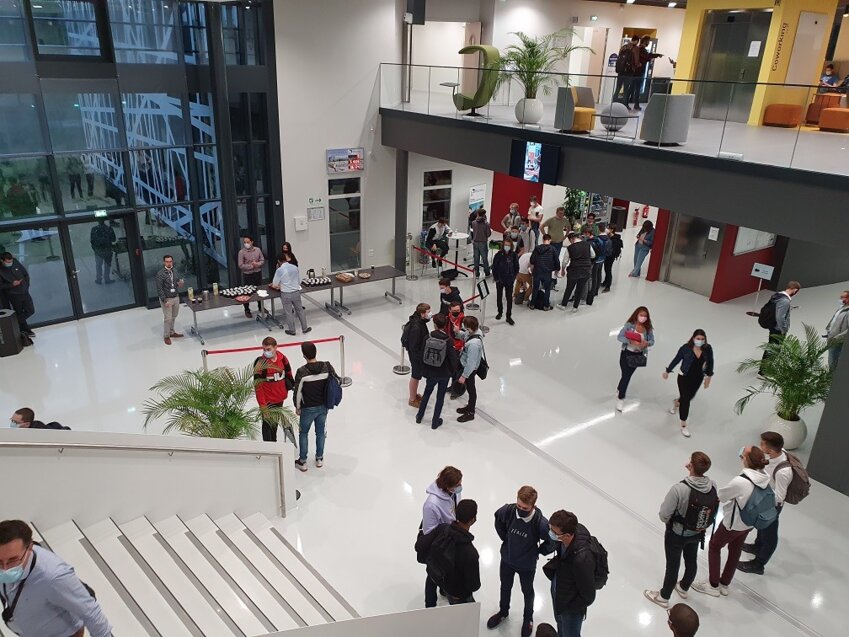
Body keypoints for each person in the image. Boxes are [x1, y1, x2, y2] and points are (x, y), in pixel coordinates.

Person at [0, 520, 113, 637]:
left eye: (13, 560)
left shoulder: (54, 577)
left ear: (29, 548)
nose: (5, 568)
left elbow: (91, 613)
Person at [692, 446, 771, 597]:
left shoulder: (741, 482)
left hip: (732, 524)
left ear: (746, 460)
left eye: (742, 455)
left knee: (714, 546)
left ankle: (713, 585)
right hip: (748, 524)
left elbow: (722, 496)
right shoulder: (764, 478)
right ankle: (725, 583)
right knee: (735, 551)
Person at [644, 452, 718, 608]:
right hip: (698, 532)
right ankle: (684, 587)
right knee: (691, 560)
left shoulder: (679, 489)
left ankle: (664, 597)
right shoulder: (713, 485)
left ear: (690, 465)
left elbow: (664, 515)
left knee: (672, 565)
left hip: (677, 534)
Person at [487, 486, 556, 637]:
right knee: (505, 587)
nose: (520, 509)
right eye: (518, 505)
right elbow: (498, 518)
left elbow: (553, 540)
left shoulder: (541, 523)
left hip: (527, 566)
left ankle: (528, 619)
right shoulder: (509, 511)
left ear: (533, 506)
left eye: (525, 507)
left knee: (527, 592)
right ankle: (503, 612)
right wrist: (505, 538)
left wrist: (541, 551)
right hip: (507, 560)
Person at [737, 431, 795, 575]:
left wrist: (761, 494)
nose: (760, 445)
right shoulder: (776, 454)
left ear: (770, 449)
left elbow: (780, 497)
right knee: (761, 527)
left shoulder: (783, 472)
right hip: (766, 501)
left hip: (772, 506)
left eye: (762, 444)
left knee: (770, 535)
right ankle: (757, 546)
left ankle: (759, 564)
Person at [545, 510, 597, 637]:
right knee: (560, 625)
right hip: (560, 589)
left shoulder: (582, 560)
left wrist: (568, 607)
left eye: (555, 533)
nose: (551, 534)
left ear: (567, 535)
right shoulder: (568, 535)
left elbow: (588, 596)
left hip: (570, 608)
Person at [419, 499, 480, 606]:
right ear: (472, 520)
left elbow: (422, 545)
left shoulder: (442, 529)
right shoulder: (470, 553)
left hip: (439, 579)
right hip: (457, 593)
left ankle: (430, 607)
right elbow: (473, 585)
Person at [420, 466, 462, 607]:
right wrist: (446, 531)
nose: (460, 487)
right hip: (438, 544)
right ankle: (430, 604)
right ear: (447, 486)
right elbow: (429, 532)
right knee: (433, 574)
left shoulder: (453, 493)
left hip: (451, 538)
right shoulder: (431, 505)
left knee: (448, 570)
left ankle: (443, 589)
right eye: (457, 485)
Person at [292, 341, 335, 472]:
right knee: (320, 432)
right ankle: (319, 458)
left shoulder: (302, 372)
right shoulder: (326, 367)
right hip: (323, 407)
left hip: (308, 408)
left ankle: (303, 461)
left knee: (303, 433)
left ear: (304, 355)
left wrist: (298, 406)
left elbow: (297, 392)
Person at [663, 330, 714, 438]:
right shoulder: (685, 348)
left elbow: (711, 362)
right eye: (698, 338)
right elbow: (676, 360)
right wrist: (667, 371)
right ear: (693, 338)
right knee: (686, 400)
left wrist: (708, 377)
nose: (699, 341)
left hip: (698, 378)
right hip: (684, 377)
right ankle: (683, 424)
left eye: (702, 339)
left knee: (689, 397)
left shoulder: (707, 348)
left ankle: (677, 402)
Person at [416, 313, 459, 430]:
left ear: (434, 324)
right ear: (444, 325)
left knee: (427, 393)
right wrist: (451, 372)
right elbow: (453, 359)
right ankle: (435, 422)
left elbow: (421, 355)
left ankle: (419, 416)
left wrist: (423, 369)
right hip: (443, 374)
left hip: (430, 372)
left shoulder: (428, 337)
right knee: (440, 397)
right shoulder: (448, 340)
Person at [253, 336, 294, 442]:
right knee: (267, 427)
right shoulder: (260, 364)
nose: (266, 352)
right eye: (264, 349)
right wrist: (263, 406)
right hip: (267, 402)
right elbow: (258, 386)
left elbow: (289, 375)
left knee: (274, 425)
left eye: (268, 349)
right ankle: (269, 448)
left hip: (280, 399)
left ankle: (274, 445)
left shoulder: (283, 359)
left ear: (276, 347)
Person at [616, 306, 655, 411]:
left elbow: (652, 341)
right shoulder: (629, 325)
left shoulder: (648, 329)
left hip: (637, 355)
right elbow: (620, 336)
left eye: (645, 316)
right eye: (641, 315)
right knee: (625, 375)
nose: (643, 317)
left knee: (627, 375)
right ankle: (620, 393)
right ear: (636, 315)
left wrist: (647, 343)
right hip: (626, 353)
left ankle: (620, 393)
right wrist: (630, 341)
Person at [759, 281, 801, 374]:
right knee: (773, 349)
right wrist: (784, 329)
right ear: (795, 290)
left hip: (772, 325)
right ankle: (763, 372)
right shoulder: (785, 301)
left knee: (771, 347)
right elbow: (780, 317)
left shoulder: (777, 295)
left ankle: (764, 369)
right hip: (778, 329)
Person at [269, 254, 311, 336]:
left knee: (288, 312)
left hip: (286, 294)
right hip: (296, 292)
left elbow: (274, 284)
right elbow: (299, 281)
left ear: (278, 261)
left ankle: (292, 330)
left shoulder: (279, 270)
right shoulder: (295, 267)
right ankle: (305, 328)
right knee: (300, 310)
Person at [453, 315, 484, 422]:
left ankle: (471, 412)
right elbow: (464, 336)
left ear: (470, 328)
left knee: (471, 389)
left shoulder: (474, 345)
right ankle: (470, 407)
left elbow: (471, 363)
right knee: (471, 388)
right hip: (466, 365)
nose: (464, 330)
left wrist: (464, 376)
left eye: (465, 328)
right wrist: (458, 332)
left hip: (469, 370)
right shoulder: (473, 332)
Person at [0, 252, 36, 341]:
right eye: (8, 262)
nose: (10, 263)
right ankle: (25, 330)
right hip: (13, 295)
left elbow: (25, 274)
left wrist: (26, 285)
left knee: (30, 310)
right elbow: (1, 286)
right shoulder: (1, 270)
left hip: (24, 291)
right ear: (2, 261)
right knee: (19, 312)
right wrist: (11, 284)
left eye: (11, 261)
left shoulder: (15, 262)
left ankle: (13, 323)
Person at [403, 303, 431, 408]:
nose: (430, 314)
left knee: (417, 376)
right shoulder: (416, 327)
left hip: (417, 354)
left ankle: (414, 395)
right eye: (428, 312)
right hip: (416, 357)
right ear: (422, 314)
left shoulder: (418, 321)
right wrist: (420, 359)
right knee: (415, 376)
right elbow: (414, 346)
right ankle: (412, 399)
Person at [558, 232, 593, 313]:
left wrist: (563, 270)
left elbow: (565, 261)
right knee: (579, 289)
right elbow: (593, 255)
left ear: (571, 239)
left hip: (574, 270)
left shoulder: (570, 248)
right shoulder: (587, 244)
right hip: (586, 270)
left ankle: (563, 305)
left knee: (569, 288)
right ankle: (575, 307)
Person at [629, 36, 663, 111]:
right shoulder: (641, 49)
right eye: (648, 41)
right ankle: (635, 104)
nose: (648, 42)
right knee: (637, 88)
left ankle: (628, 103)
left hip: (635, 72)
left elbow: (647, 57)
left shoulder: (639, 48)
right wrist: (656, 55)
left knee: (632, 88)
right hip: (639, 71)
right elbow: (647, 56)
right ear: (645, 41)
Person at [155, 255, 183, 345]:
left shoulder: (175, 271)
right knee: (168, 318)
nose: (169, 263)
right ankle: (166, 336)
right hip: (167, 299)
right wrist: (164, 300)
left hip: (175, 297)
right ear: (164, 262)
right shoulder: (160, 274)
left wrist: (179, 283)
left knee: (174, 316)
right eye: (167, 261)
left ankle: (172, 332)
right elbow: (159, 289)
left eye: (170, 261)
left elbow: (176, 282)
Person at [492, 237, 519, 325]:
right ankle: (500, 312)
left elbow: (516, 267)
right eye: (505, 245)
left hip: (509, 280)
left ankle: (508, 316)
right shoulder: (498, 255)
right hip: (500, 280)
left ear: (511, 246)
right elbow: (494, 268)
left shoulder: (514, 255)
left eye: (508, 245)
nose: (507, 246)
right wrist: (496, 279)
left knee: (509, 298)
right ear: (503, 245)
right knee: (499, 297)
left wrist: (513, 277)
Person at [529, 234, 559, 311]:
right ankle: (546, 306)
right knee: (547, 289)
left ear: (543, 240)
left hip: (537, 271)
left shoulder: (537, 248)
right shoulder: (553, 249)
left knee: (535, 288)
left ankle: (532, 304)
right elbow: (556, 260)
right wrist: (557, 269)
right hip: (547, 272)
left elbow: (532, 260)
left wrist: (532, 268)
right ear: (550, 240)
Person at [238, 235, 265, 318]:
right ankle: (247, 309)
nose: (246, 244)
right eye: (245, 242)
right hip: (247, 274)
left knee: (259, 290)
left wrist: (257, 264)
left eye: (248, 242)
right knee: (247, 292)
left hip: (257, 273)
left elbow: (262, 260)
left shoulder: (258, 250)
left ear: (252, 242)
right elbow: (240, 265)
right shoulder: (241, 252)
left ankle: (261, 307)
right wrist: (251, 266)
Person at [585, 224, 609, 306]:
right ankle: (596, 291)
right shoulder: (603, 238)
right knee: (599, 275)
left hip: (596, 260)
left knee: (594, 277)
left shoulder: (593, 241)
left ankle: (593, 292)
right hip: (602, 259)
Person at [824, 290, 848, 370]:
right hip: (832, 341)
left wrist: (837, 338)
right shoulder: (840, 309)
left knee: (835, 367)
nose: (840, 299)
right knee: (831, 365)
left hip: (839, 343)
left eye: (842, 297)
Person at [614, 35, 640, 105]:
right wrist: (639, 65)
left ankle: (613, 105)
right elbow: (636, 61)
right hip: (629, 72)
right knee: (626, 90)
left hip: (621, 71)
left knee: (617, 89)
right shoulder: (635, 48)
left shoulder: (624, 47)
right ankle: (624, 106)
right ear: (637, 41)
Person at [89, 219, 116, 285]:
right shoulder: (109, 229)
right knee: (107, 265)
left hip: (98, 251)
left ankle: (99, 279)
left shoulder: (94, 229)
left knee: (98, 265)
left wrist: (95, 248)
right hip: (107, 250)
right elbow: (113, 239)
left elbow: (92, 241)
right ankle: (107, 279)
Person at [601, 224, 623, 293]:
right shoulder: (608, 237)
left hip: (610, 257)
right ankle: (605, 282)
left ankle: (608, 286)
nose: (606, 229)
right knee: (606, 269)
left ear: (612, 230)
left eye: (608, 228)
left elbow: (612, 250)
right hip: (607, 256)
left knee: (608, 270)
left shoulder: (615, 240)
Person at [471, 208, 492, 278]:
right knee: (484, 258)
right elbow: (488, 234)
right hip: (483, 242)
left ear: (477, 214)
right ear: (484, 215)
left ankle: (476, 274)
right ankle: (487, 273)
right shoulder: (486, 224)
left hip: (475, 242)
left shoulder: (473, 222)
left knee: (476, 258)